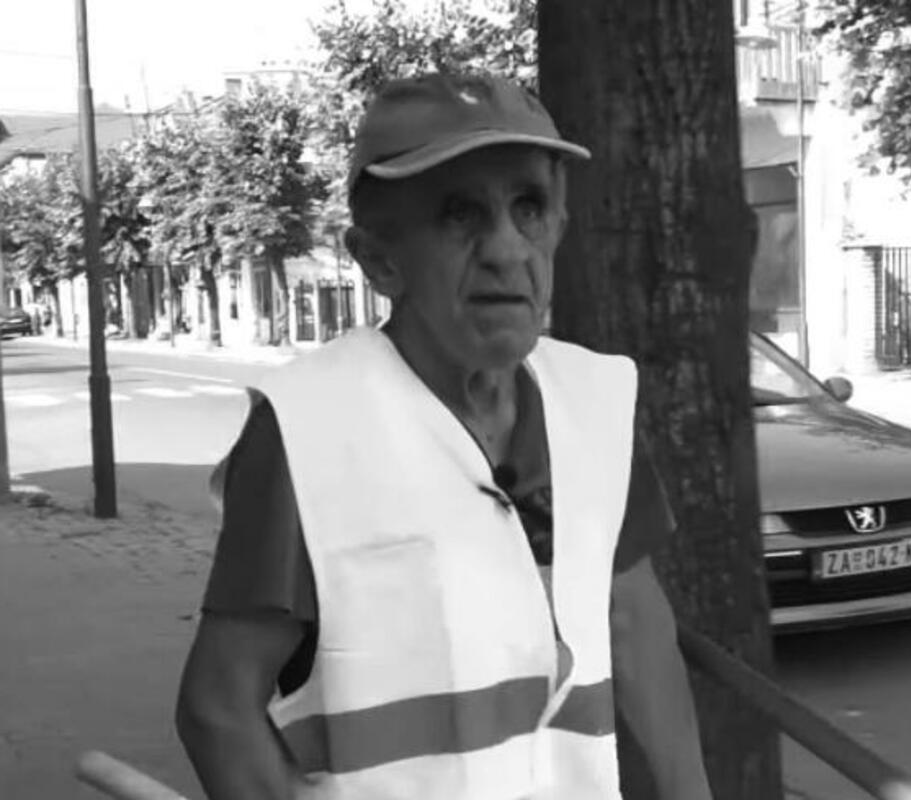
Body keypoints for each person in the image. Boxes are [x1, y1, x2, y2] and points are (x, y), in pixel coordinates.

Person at [175, 73, 713, 800]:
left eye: (529, 207)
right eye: (460, 214)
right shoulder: (307, 427)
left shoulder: (595, 401)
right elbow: (218, 708)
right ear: (379, 259)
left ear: (559, 227)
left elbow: (634, 621)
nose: (507, 249)